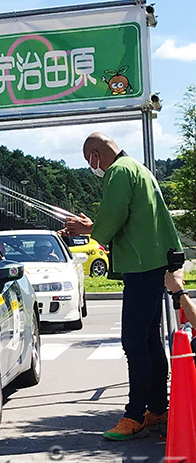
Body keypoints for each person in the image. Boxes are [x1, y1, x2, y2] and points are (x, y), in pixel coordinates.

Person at [61, 132, 181, 441]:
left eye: (90, 160)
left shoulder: (117, 172)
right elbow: (127, 217)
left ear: (96, 154)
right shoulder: (138, 168)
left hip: (141, 266)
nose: (92, 166)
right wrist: (95, 227)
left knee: (134, 342)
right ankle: (157, 407)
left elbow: (114, 216)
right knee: (149, 340)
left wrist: (92, 231)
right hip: (154, 262)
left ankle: (135, 415)